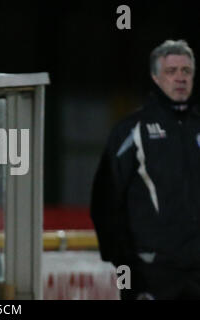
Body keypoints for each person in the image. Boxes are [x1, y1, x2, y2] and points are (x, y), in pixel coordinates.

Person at [91, 39, 200, 300]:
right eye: (171, 71)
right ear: (155, 77)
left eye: (186, 71)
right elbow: (105, 203)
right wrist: (127, 267)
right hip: (151, 274)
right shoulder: (131, 130)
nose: (180, 78)